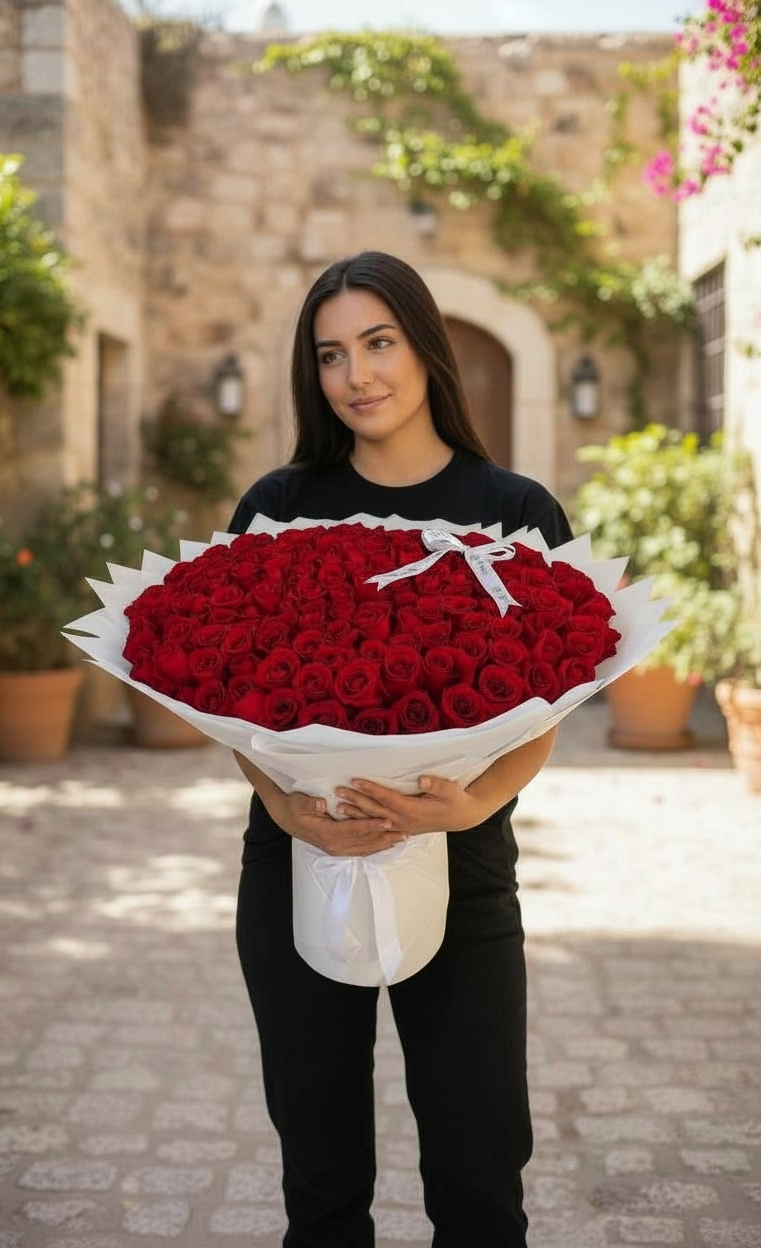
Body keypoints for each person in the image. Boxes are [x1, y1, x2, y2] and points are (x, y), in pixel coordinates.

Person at [226, 251, 573, 1248]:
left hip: (461, 870)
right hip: (296, 861)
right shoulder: (276, 509)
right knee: (322, 1187)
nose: (358, 375)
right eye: (331, 354)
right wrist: (287, 806)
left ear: (426, 348)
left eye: (379, 343)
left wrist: (471, 805)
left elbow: (547, 702)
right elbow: (229, 692)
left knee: (477, 1178)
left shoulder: (514, 512)